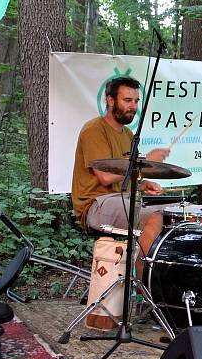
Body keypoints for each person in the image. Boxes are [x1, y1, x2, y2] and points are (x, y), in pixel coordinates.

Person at [71, 76, 170, 258]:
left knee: (173, 211)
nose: (133, 106)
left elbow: (126, 177)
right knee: (155, 215)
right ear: (110, 100)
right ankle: (143, 278)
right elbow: (105, 177)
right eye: (127, 100)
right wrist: (146, 160)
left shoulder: (128, 134)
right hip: (94, 205)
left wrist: (142, 184)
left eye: (136, 101)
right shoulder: (94, 129)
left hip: (120, 200)